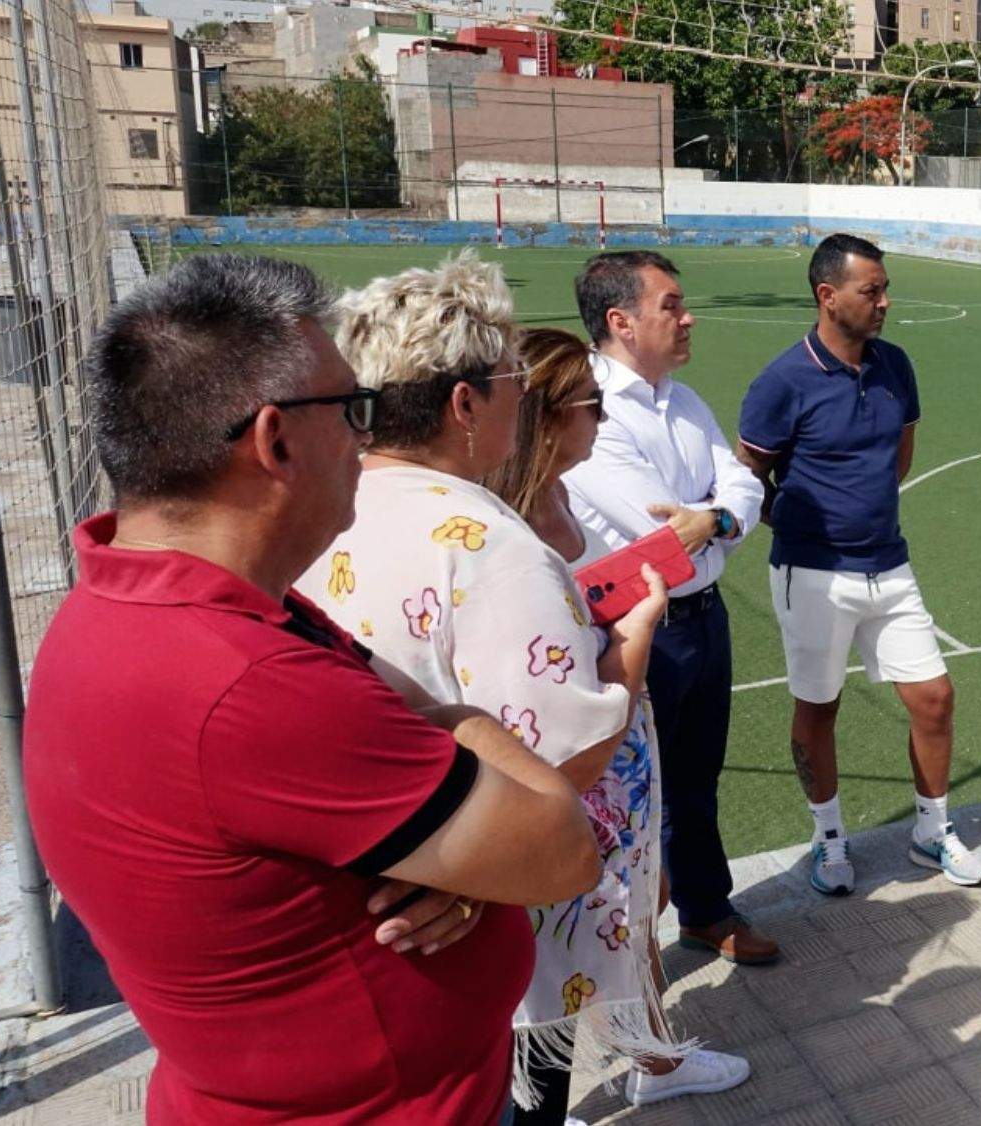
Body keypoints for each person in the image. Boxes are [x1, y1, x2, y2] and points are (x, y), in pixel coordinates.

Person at [24, 253, 602, 1124]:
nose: (367, 439)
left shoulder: (137, 597)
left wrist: (452, 837)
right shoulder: (246, 681)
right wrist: (464, 725)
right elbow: (559, 848)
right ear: (275, 440)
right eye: (352, 410)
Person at [297, 255, 747, 1119]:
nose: (527, 401)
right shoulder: (484, 541)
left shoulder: (329, 504)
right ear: (464, 404)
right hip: (472, 890)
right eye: (512, 381)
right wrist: (633, 639)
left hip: (383, 884)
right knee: (523, 1077)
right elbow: (567, 756)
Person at [736, 233, 981, 895]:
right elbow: (747, 478)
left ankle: (931, 831)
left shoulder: (896, 365)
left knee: (934, 698)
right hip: (812, 573)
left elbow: (899, 456)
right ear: (828, 296)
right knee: (818, 708)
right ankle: (827, 839)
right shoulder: (781, 380)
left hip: (889, 565)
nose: (884, 302)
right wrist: (796, 522)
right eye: (869, 291)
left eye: (884, 289)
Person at [562, 251, 777, 966]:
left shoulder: (681, 400)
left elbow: (741, 487)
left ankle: (705, 911)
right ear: (621, 321)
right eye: (671, 305)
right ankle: (628, 952)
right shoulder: (589, 410)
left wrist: (711, 523)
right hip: (634, 630)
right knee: (634, 793)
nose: (688, 319)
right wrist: (715, 526)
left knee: (696, 777)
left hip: (704, 619)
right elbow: (656, 538)